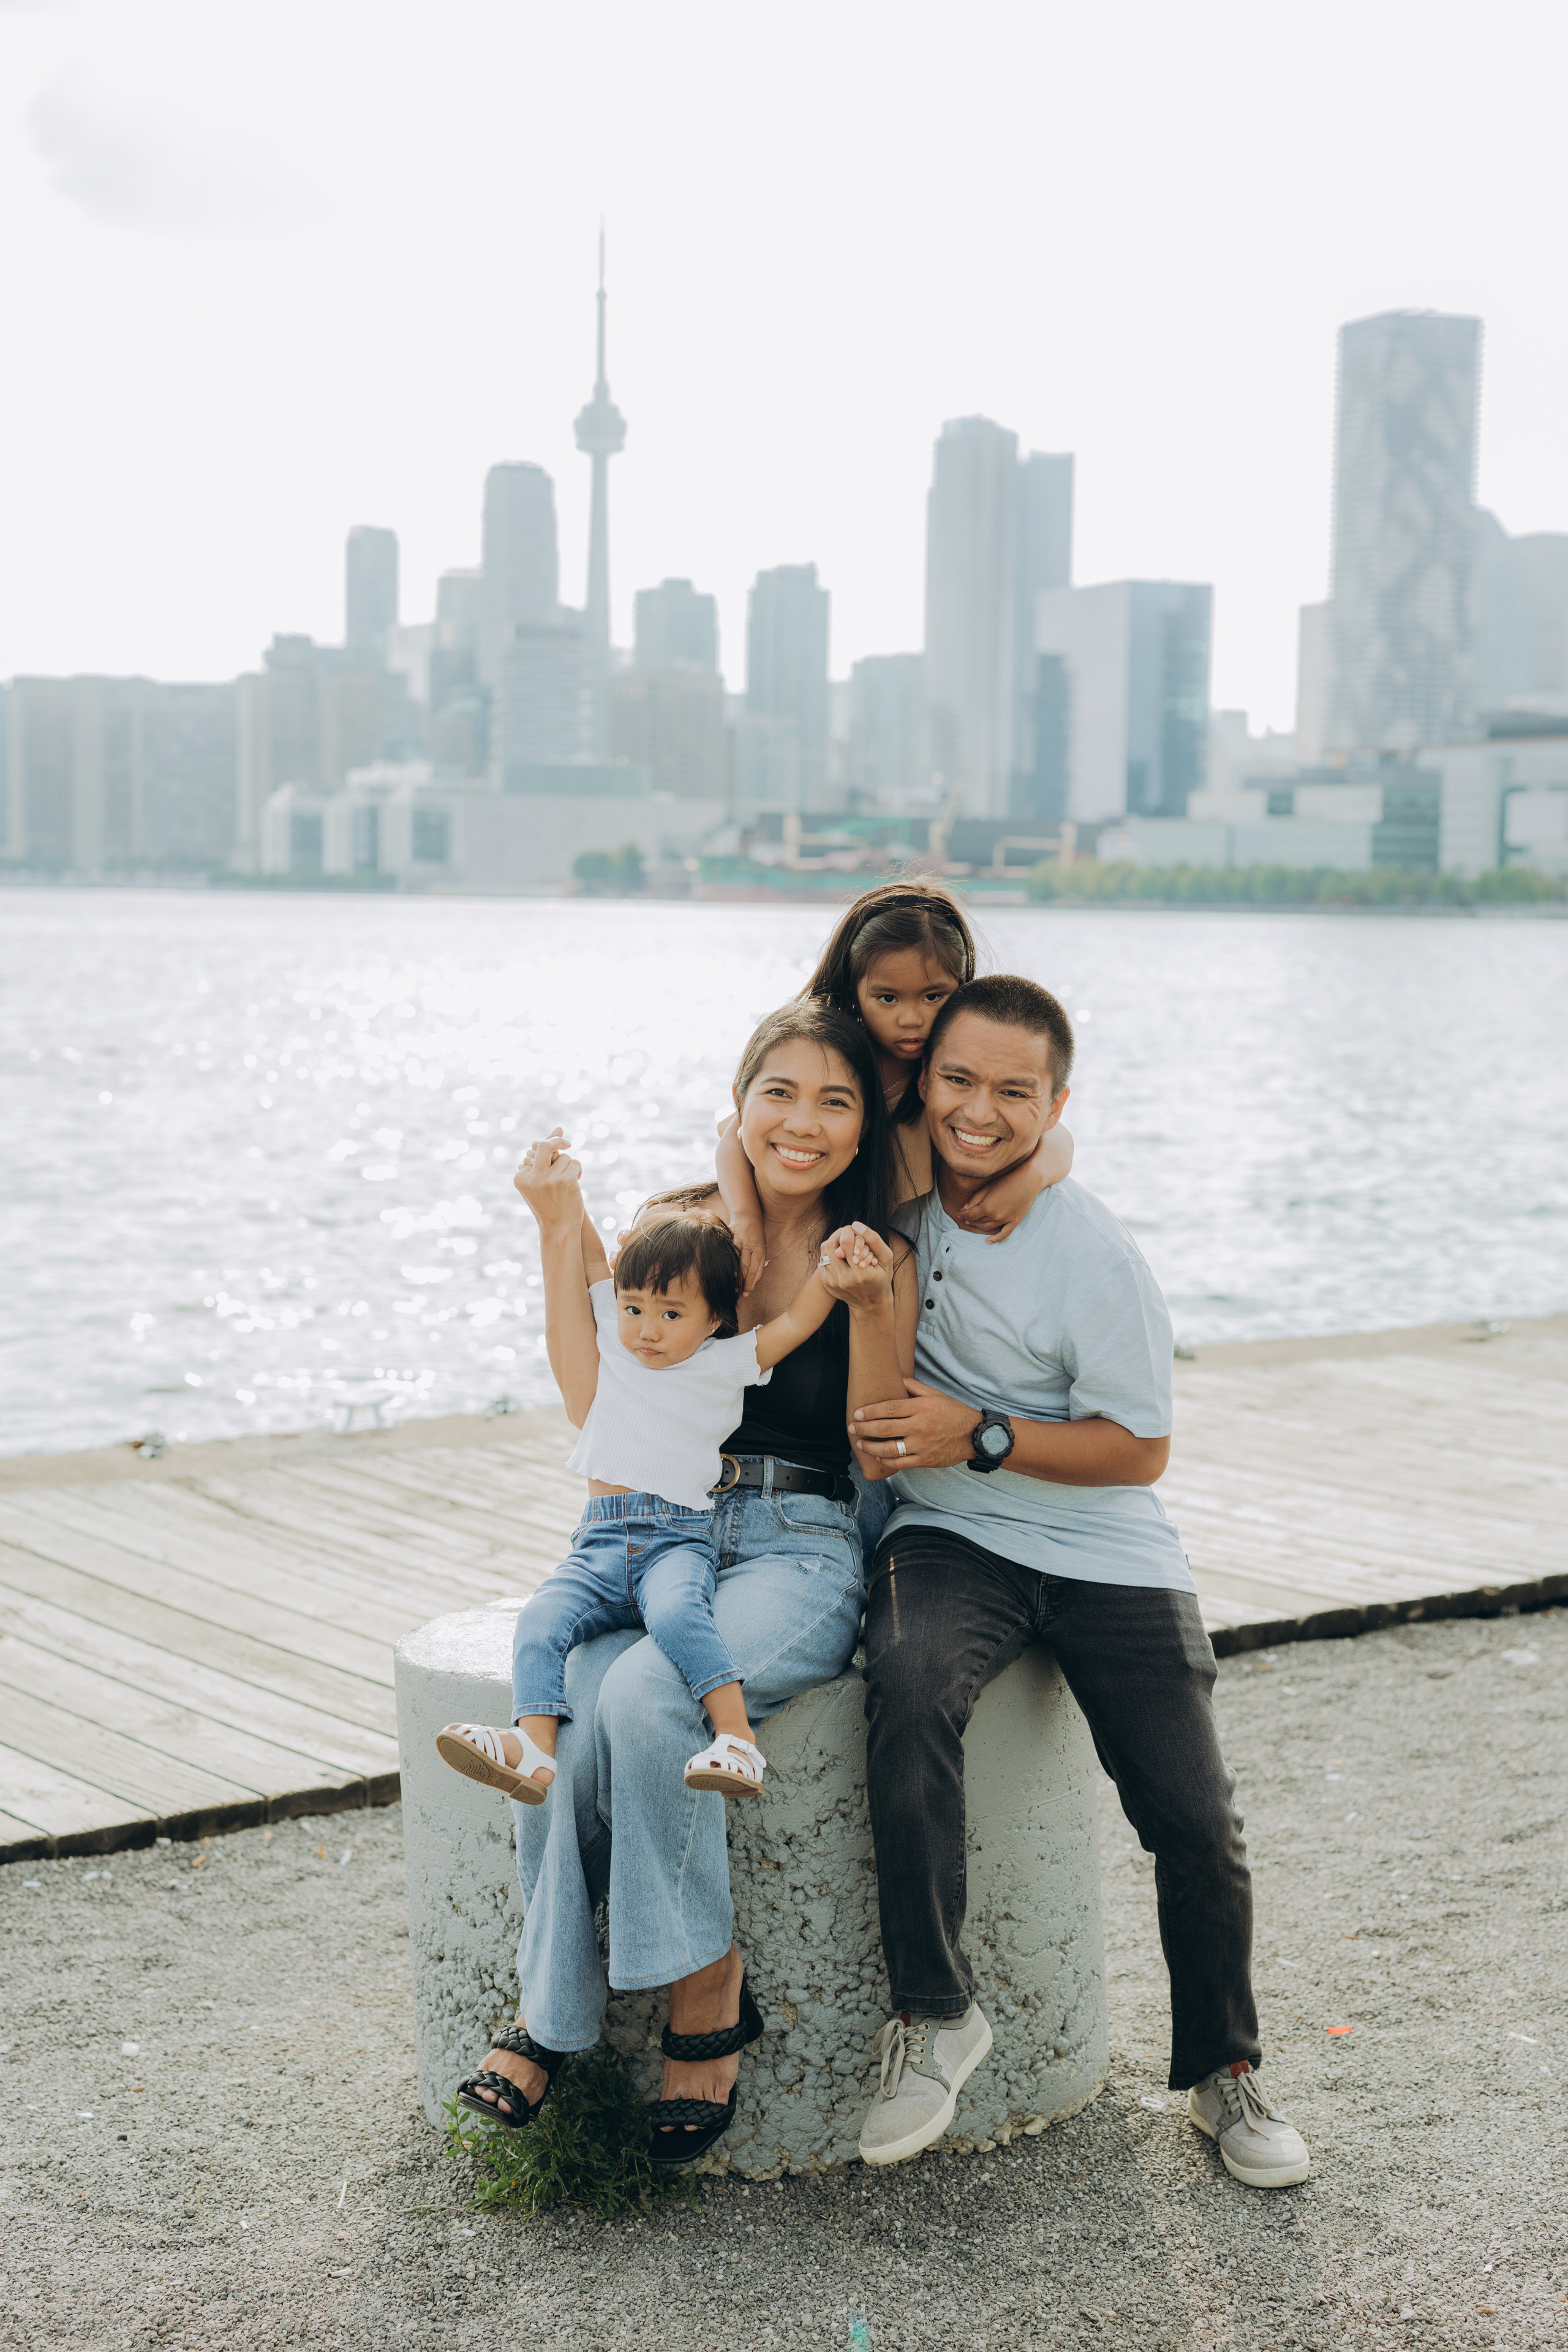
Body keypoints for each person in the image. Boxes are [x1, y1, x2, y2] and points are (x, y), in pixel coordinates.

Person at [847, 972, 1311, 2192]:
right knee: (901, 1684)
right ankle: (935, 2014)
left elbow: (1140, 1448)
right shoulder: (891, 1193)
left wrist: (979, 1432)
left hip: (1103, 1541)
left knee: (1193, 1817)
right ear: (922, 1082)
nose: (978, 1111)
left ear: (1055, 1103)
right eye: (957, 1080)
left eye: (1012, 1092)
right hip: (947, 1533)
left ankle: (1223, 2074)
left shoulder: (1089, 1247)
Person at [451, 1003, 915, 2166]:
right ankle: (551, 2013)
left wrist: (865, 1306)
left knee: (652, 1695)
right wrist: (560, 1232)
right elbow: (591, 1398)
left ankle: (708, 1988)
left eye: (836, 1100)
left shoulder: (871, 1247)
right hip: (662, 1536)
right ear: (740, 1101)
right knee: (562, 1710)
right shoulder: (685, 1233)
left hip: (802, 1541)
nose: (802, 1123)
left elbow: (875, 1439)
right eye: (780, 1093)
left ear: (865, 1127)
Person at [435, 1197, 881, 1825]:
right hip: (597, 1542)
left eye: (672, 1314)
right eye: (635, 1308)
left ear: (714, 1319)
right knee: (539, 1622)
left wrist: (831, 1275)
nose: (647, 1329)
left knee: (680, 1617)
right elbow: (591, 1257)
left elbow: (795, 1325)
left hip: (674, 1541)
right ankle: (533, 1747)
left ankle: (736, 1742)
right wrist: (572, 1194)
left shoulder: (723, 1363)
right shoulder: (616, 1341)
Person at [714, 878, 1074, 1563]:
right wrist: (743, 1220)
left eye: (933, 997)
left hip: (886, 1278)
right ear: (855, 991)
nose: (911, 1020)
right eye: (888, 999)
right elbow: (732, 1132)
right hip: (823, 1265)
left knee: (869, 1443)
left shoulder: (948, 1079)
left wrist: (1027, 1176)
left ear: (960, 987)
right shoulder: (828, 1057)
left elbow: (1055, 1135)